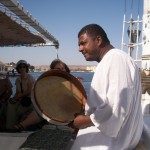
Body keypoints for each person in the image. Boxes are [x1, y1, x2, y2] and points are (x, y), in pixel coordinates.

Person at [71, 24, 143, 150]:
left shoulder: (116, 59)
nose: (80, 49)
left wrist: (83, 121)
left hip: (112, 143)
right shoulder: (110, 60)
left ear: (98, 40)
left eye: (83, 43)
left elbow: (116, 108)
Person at [14, 59, 71, 131]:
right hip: (49, 107)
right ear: (52, 70)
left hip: (66, 109)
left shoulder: (71, 81)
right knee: (41, 110)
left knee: (48, 109)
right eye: (58, 69)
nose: (61, 70)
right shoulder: (48, 82)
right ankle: (22, 125)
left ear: (66, 69)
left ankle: (23, 125)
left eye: (63, 68)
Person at [6, 60, 35, 131]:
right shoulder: (18, 80)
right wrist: (13, 99)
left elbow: (28, 91)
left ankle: (14, 127)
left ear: (26, 68)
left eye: (24, 67)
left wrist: (17, 97)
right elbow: (17, 92)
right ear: (18, 69)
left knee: (17, 111)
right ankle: (9, 127)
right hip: (21, 100)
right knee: (10, 105)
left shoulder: (30, 78)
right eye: (20, 67)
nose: (22, 68)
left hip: (29, 101)